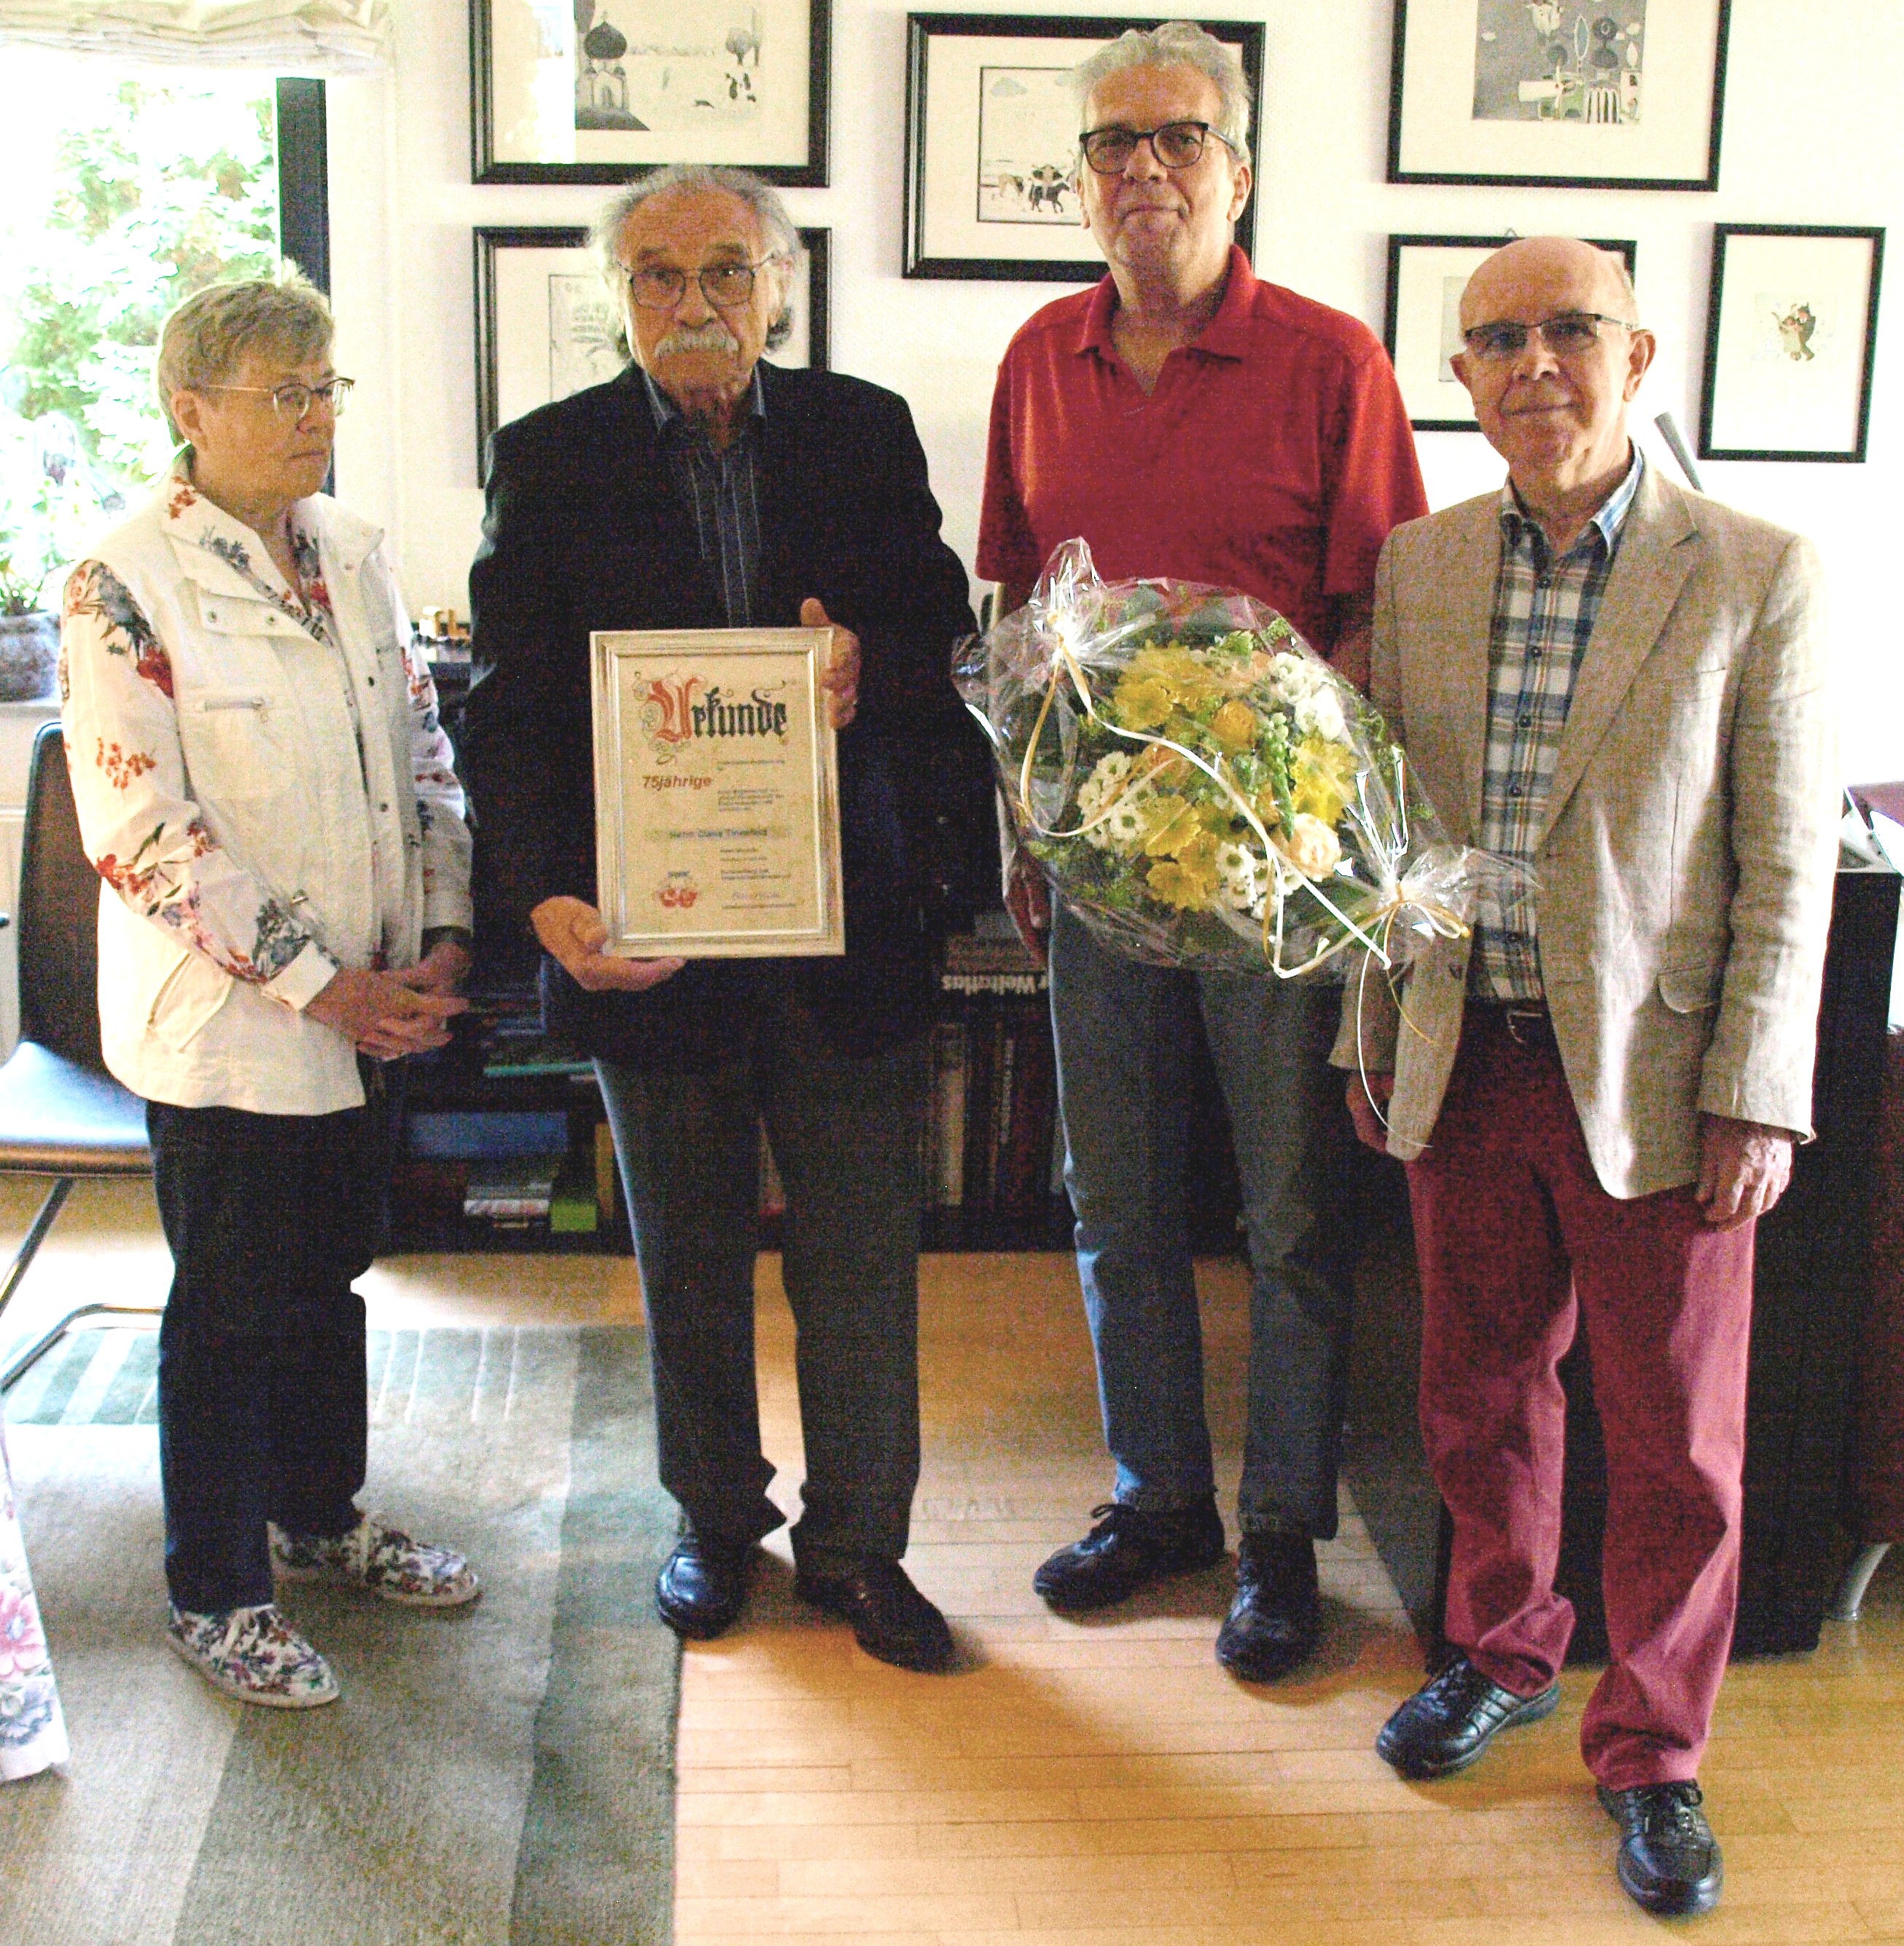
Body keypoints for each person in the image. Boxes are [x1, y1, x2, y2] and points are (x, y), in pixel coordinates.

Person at [1337, 237, 1838, 1918]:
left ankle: (1656, 1750)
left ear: (1638, 358)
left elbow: (1786, 861)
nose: (1534, 362)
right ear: (1462, 378)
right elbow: (1380, 836)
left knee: (1679, 1444)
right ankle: (1503, 1647)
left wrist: (1760, 1088)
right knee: (1476, 1397)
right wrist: (1365, 1028)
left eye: (1570, 330)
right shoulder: (1416, 565)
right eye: (1498, 339)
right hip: (1462, 1051)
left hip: (1661, 1079)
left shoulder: (1756, 567)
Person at [463, 165, 980, 1674]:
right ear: (615, 298)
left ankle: (861, 1551)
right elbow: (512, 710)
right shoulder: (547, 459)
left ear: (782, 287)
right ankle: (712, 1525)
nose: (695, 306)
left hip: (846, 921)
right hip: (648, 930)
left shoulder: (862, 431)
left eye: (728, 274)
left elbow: (941, 642)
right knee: (683, 1256)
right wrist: (547, 897)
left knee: (862, 1263)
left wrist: (862, 665)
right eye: (657, 277)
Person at [976, 20, 1427, 1679]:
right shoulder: (1038, 356)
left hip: (1266, 881)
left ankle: (1284, 1531)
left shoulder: (1332, 361)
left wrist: (1313, 834)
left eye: (1176, 138)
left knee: (1289, 1213)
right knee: (1112, 1198)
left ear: (1237, 168)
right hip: (1094, 878)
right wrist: (1033, 821)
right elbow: (1019, 616)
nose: (1141, 169)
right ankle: (1158, 1494)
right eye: (1110, 144)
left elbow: (1377, 619)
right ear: (1083, 177)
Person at [61, 271, 481, 1709]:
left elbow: (422, 759)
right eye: (283, 394)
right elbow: (143, 837)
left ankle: (317, 1521)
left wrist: (439, 937)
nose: (316, 418)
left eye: (326, 388)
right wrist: (323, 986)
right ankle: (215, 1587)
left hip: (374, 1000)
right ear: (191, 412)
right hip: (231, 1028)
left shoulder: (353, 554)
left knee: (331, 1280)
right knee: (233, 1305)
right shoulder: (124, 579)